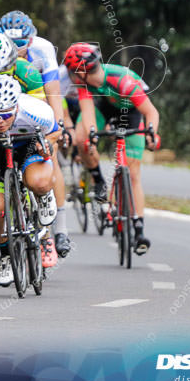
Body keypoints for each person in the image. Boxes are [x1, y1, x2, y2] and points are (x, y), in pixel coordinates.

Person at [63, 42, 161, 255]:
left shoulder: (122, 81)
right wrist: (91, 138)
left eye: (71, 72)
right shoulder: (84, 85)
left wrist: (152, 133)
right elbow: (88, 115)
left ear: (80, 72)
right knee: (82, 139)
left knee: (133, 173)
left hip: (131, 111)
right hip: (103, 109)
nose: (69, 76)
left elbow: (151, 112)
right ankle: (98, 181)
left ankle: (138, 228)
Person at [0, 75, 61, 286]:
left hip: (28, 146)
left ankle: (43, 197)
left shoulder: (37, 112)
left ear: (16, 106)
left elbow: (55, 134)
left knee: (38, 182)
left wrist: (48, 147)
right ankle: (6, 254)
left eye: (6, 115)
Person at [0, 11, 72, 258]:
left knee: (50, 160)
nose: (16, 49)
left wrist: (57, 130)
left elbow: (54, 93)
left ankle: (56, 232)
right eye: (11, 43)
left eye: (21, 43)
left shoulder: (43, 50)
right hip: (7, 107)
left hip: (38, 105)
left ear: (30, 40)